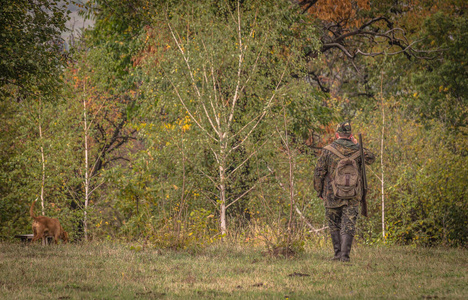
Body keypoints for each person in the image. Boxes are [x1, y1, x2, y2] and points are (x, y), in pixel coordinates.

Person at [314, 122, 375, 262]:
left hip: (331, 194)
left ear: (337, 134)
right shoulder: (358, 150)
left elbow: (319, 172)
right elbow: (371, 158)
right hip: (353, 194)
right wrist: (358, 145)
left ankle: (337, 254)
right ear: (350, 135)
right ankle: (345, 257)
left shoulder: (328, 150)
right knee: (349, 223)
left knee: (334, 223)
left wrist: (319, 191)